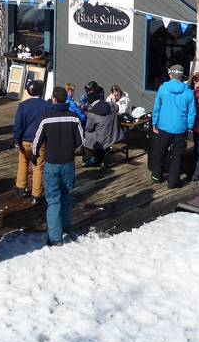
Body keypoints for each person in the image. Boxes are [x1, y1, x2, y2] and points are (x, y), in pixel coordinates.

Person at [31, 86, 84, 246]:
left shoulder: (46, 118)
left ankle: (55, 238)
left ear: (54, 99)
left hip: (51, 164)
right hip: (68, 163)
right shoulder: (74, 118)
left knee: (54, 200)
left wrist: (34, 156)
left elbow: (36, 141)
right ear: (65, 99)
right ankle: (65, 226)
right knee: (66, 195)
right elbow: (81, 141)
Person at [150, 65, 196, 188]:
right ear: (181, 76)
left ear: (171, 75)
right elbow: (192, 112)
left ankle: (157, 176)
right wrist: (190, 126)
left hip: (164, 127)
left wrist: (155, 123)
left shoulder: (163, 88)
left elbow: (157, 108)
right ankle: (173, 182)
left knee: (160, 152)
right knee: (177, 156)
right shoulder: (188, 92)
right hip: (181, 129)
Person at [12, 79, 51, 200]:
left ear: (29, 92)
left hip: (25, 141)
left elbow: (18, 125)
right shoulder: (47, 106)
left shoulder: (23, 105)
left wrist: (17, 140)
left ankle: (21, 188)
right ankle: (36, 194)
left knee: (23, 163)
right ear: (41, 91)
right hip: (40, 142)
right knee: (38, 167)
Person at [82, 87, 124, 168]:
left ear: (90, 102)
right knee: (99, 132)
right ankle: (100, 156)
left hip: (103, 140)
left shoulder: (91, 113)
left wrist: (86, 113)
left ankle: (90, 159)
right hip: (115, 135)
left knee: (87, 134)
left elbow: (89, 128)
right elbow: (117, 107)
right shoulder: (111, 105)